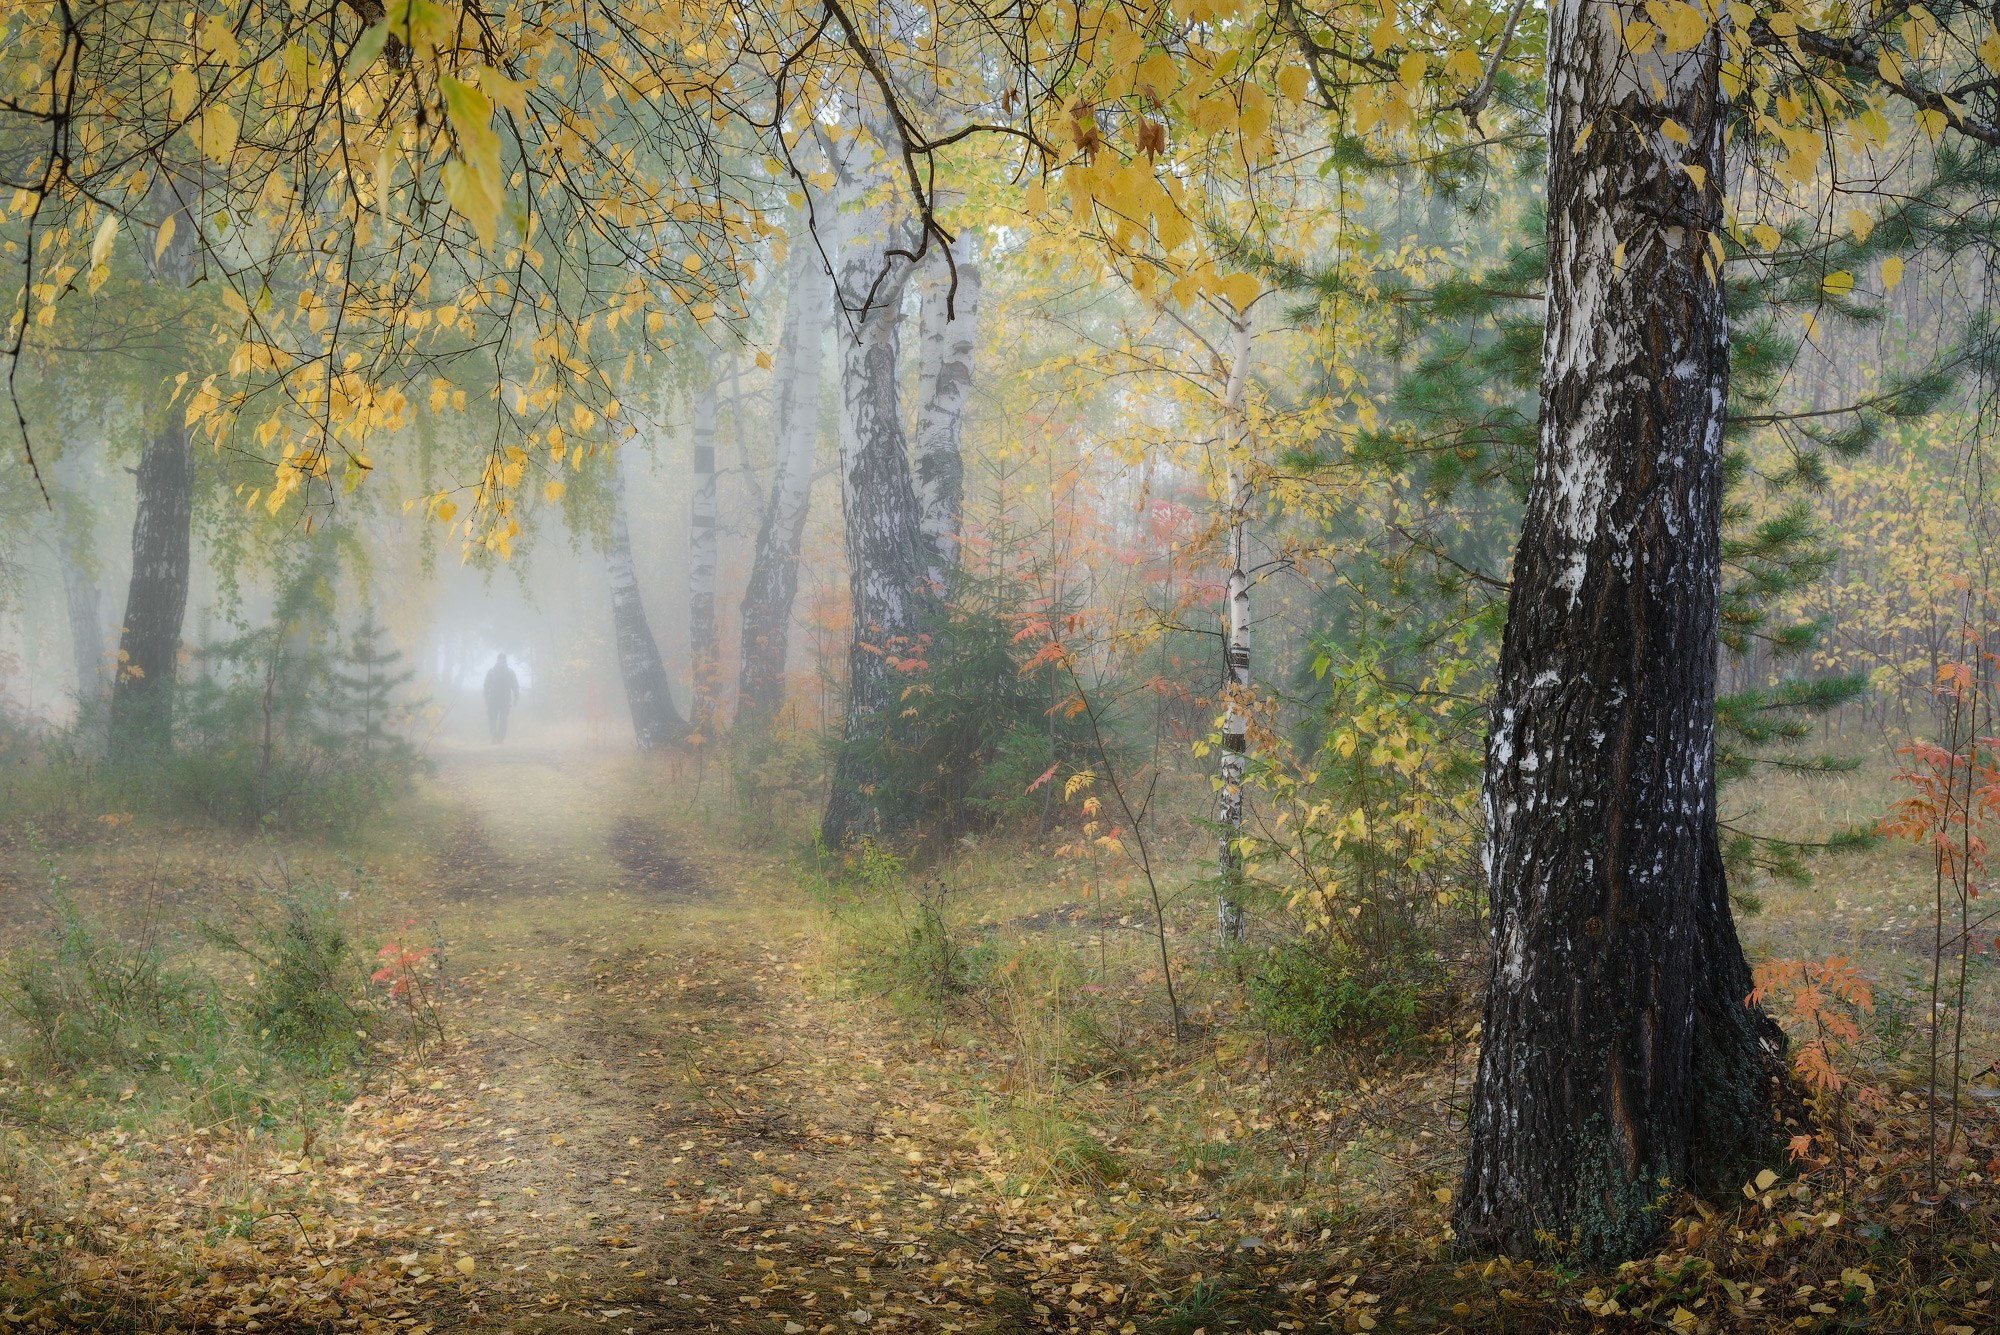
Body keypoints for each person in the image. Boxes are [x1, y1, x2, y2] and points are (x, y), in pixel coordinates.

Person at [483, 653, 520, 744]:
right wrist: (516, 697)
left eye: (501, 660)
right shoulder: (510, 672)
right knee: (501, 719)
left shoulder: (491, 671)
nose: (501, 662)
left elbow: (486, 686)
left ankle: (495, 736)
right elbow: (515, 686)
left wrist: (486, 698)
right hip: (503, 699)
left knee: (494, 718)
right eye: (502, 660)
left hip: (495, 699)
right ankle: (499, 738)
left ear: (498, 660)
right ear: (504, 660)